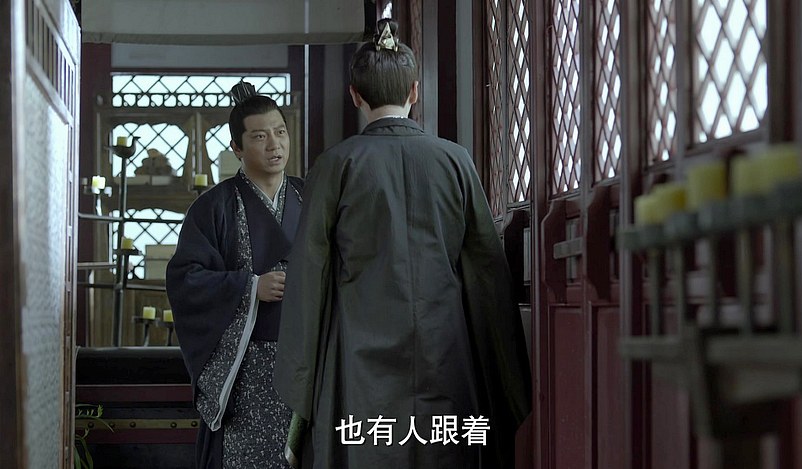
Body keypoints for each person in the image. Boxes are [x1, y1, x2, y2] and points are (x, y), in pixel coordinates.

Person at [274, 19, 531, 469]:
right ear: (415, 91)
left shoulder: (336, 165)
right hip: (443, 347)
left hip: (358, 355)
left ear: (355, 95)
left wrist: (302, 384)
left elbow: (309, 273)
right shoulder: (454, 160)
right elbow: (486, 269)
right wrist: (502, 373)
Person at [166, 81, 303, 469]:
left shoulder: (309, 197)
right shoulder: (213, 207)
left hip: (304, 362)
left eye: (280, 132)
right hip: (243, 367)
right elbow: (185, 279)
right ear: (237, 148)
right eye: (259, 136)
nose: (274, 145)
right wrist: (250, 287)